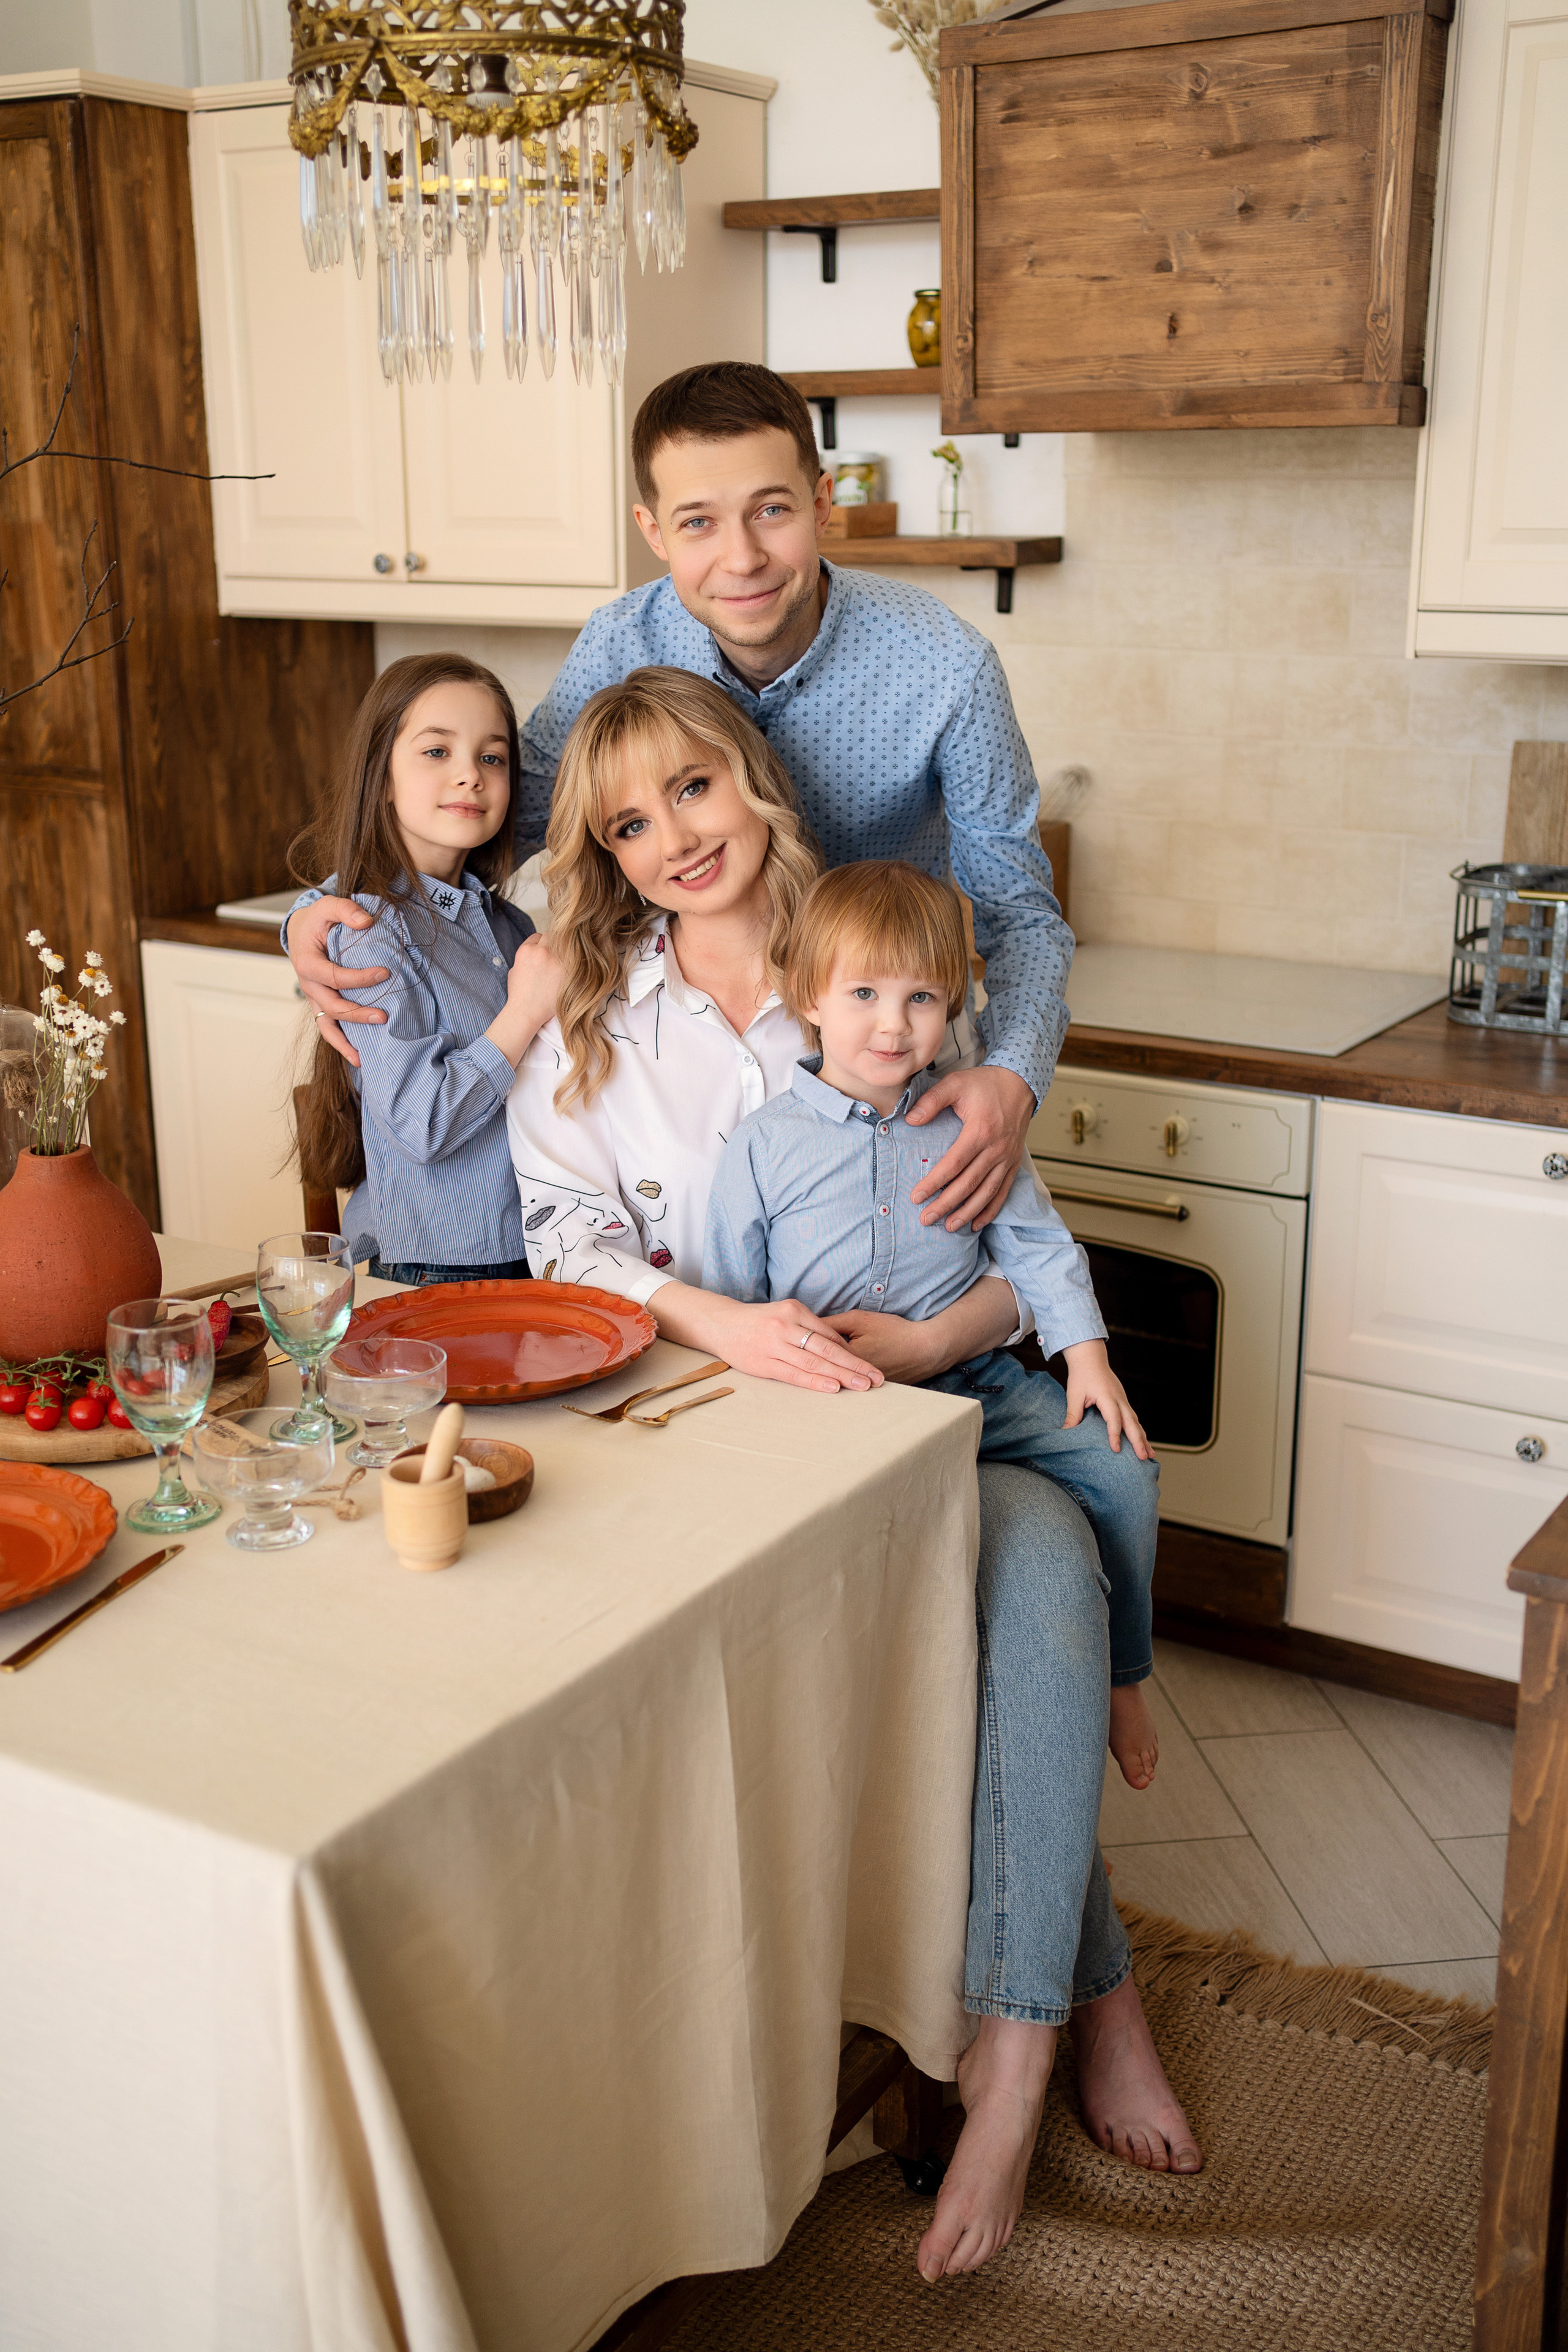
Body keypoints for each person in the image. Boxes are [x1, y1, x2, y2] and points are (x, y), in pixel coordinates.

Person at [507, 667, 1201, 2286]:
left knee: (1044, 1568)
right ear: (603, 855)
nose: (672, 836)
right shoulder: (597, 1029)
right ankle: (1097, 1992)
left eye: (692, 789)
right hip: (718, 1433)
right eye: (626, 820)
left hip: (939, 1400)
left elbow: (1008, 1223)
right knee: (1026, 1609)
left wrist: (933, 1336)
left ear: (754, 780)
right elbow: (572, 1243)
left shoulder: (893, 946)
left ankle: (1015, 2056)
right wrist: (722, 1322)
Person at [284, 360, 1071, 1238]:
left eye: (772, 510)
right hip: (679, 1061)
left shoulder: (945, 668)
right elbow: (495, 821)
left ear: (822, 503)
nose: (741, 558)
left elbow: (1022, 917)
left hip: (881, 1076)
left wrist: (1014, 1077)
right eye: (698, 522)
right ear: (653, 531)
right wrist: (331, 910)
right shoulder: (620, 645)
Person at [703, 858, 1161, 1792]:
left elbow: (1037, 1246)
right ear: (810, 997)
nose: (893, 1022)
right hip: (831, 1401)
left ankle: (1124, 1674)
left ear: (954, 1007)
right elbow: (729, 1296)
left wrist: (1090, 1361)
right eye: (864, 992)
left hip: (977, 1386)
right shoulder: (763, 1145)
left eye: (922, 998)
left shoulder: (968, 1125)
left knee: (1125, 1464)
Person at [291, 653, 561, 1285]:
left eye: (492, 758)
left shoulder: (507, 926)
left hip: (530, 1247)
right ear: (380, 776)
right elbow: (424, 1121)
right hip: (432, 1266)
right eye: (437, 752)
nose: (470, 774)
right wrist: (523, 1014)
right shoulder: (368, 931)